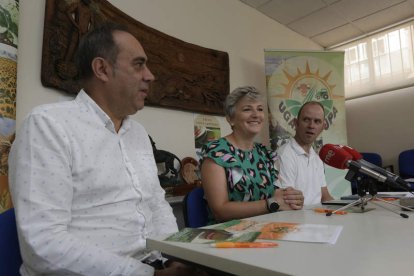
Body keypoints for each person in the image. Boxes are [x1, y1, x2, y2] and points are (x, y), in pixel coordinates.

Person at [9, 22, 203, 276]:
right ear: (102, 69)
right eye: (138, 64)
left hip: (156, 263)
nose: (150, 76)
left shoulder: (139, 134)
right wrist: (149, 275)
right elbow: (43, 244)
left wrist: (177, 257)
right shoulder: (49, 126)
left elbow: (156, 204)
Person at [199, 86, 304, 224]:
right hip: (228, 236)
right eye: (247, 109)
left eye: (260, 109)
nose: (256, 114)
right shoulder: (216, 153)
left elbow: (275, 195)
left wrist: (291, 198)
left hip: (265, 229)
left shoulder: (264, 153)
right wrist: (270, 204)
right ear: (230, 119)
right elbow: (220, 211)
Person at [275, 101, 334, 206]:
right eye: (306, 120)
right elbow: (288, 203)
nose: (311, 126)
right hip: (296, 220)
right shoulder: (284, 155)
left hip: (318, 218)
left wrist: (344, 210)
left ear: (323, 127)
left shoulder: (317, 158)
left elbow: (325, 196)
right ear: (296, 123)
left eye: (317, 121)